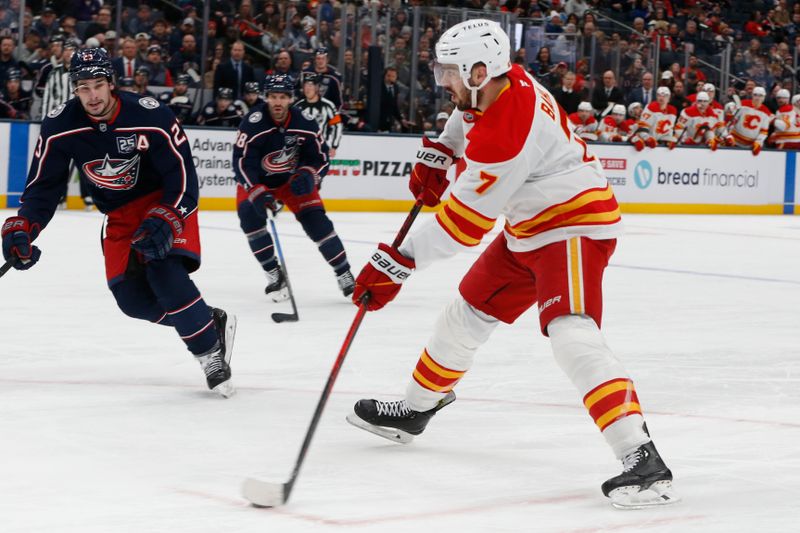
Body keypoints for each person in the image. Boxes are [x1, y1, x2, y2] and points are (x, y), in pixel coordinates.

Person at [345, 19, 679, 509]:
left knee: (570, 332)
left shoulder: (508, 131)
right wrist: (443, 148)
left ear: (479, 70)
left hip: (572, 226)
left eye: (450, 74)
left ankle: (642, 457)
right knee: (463, 317)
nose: (444, 84)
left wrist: (396, 262)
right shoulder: (500, 85)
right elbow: (466, 117)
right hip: (529, 227)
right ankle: (416, 410)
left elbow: (463, 224)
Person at [0, 48, 235, 397]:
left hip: (163, 202)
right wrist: (22, 227)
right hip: (119, 215)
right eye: (83, 87)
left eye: (98, 85)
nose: (92, 95)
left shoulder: (150, 116)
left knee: (163, 271)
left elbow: (182, 176)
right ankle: (205, 321)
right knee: (132, 301)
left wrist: (169, 216)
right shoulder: (60, 125)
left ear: (112, 83)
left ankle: (209, 354)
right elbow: (43, 190)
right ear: (74, 88)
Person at [231, 74, 355, 299]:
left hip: (291, 181)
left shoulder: (305, 122)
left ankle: (344, 272)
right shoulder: (253, 122)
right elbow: (241, 161)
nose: (277, 102)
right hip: (259, 181)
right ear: (266, 97)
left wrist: (309, 175)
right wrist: (257, 191)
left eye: (283, 97)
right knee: (249, 218)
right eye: (273, 97)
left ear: (291, 99)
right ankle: (274, 274)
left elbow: (321, 158)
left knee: (318, 223)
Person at [293, 72, 343, 158]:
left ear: (317, 88)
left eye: (311, 85)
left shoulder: (328, 105)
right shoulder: (298, 106)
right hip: (300, 151)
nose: (307, 89)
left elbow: (337, 125)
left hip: (320, 150)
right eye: (305, 85)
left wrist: (334, 146)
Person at [728, 86, 772, 155]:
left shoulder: (766, 112)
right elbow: (732, 121)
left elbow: (764, 131)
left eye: (760, 95)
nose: (757, 98)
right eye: (755, 95)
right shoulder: (742, 104)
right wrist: (729, 135)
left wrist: (758, 142)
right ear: (752, 95)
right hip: (734, 142)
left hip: (750, 147)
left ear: (764, 97)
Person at [301, 47, 343, 111]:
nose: (321, 61)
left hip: (327, 110)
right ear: (315, 59)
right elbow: (297, 92)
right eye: (318, 58)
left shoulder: (334, 77)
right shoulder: (305, 73)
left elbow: (338, 102)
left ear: (327, 60)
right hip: (306, 109)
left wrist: (334, 114)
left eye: (323, 58)